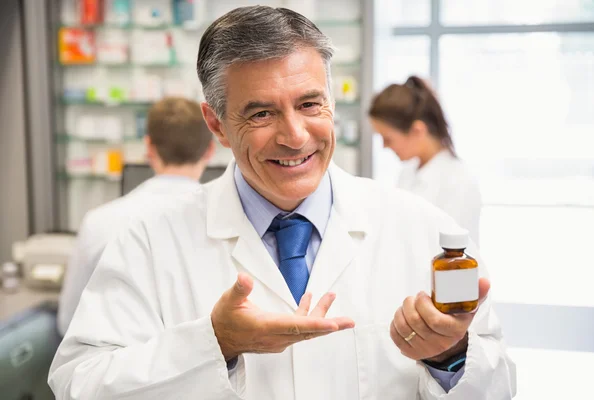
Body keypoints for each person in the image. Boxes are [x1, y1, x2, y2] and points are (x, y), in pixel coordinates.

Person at [49, 6, 516, 399]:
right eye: (262, 112)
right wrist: (214, 343)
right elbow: (78, 384)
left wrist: (448, 357)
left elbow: (499, 384)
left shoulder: (421, 229)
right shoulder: (150, 241)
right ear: (216, 125)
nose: (295, 137)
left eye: (310, 104)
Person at [57, 97, 215, 336]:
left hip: (118, 367)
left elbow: (69, 321)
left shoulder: (99, 222)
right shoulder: (224, 220)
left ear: (149, 147)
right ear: (210, 150)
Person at [369, 77, 483, 244]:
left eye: (388, 138)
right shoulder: (408, 171)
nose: (384, 146)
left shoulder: (459, 182)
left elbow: (451, 255)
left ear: (417, 131)